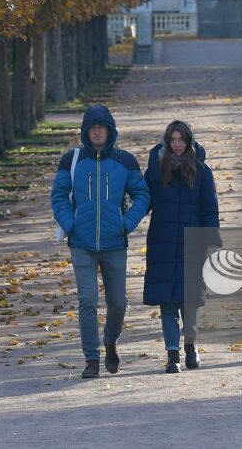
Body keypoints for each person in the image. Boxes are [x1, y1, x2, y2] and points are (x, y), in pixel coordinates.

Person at [51, 104, 149, 379]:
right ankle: (91, 359)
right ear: (85, 131)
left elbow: (142, 195)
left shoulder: (125, 161)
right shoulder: (71, 160)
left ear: (110, 131)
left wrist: (126, 223)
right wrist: (70, 224)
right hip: (81, 244)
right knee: (87, 301)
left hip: (114, 243)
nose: (97, 132)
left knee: (118, 303)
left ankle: (110, 340)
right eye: (92, 127)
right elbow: (59, 195)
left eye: (101, 127)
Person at [143, 120, 220, 373]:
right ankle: (171, 353)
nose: (177, 145)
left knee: (189, 300)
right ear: (167, 142)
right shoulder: (156, 171)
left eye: (181, 140)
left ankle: (191, 346)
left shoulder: (201, 171)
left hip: (192, 243)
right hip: (163, 241)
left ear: (189, 142)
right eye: (172, 140)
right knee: (167, 300)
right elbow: (144, 201)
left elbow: (210, 210)